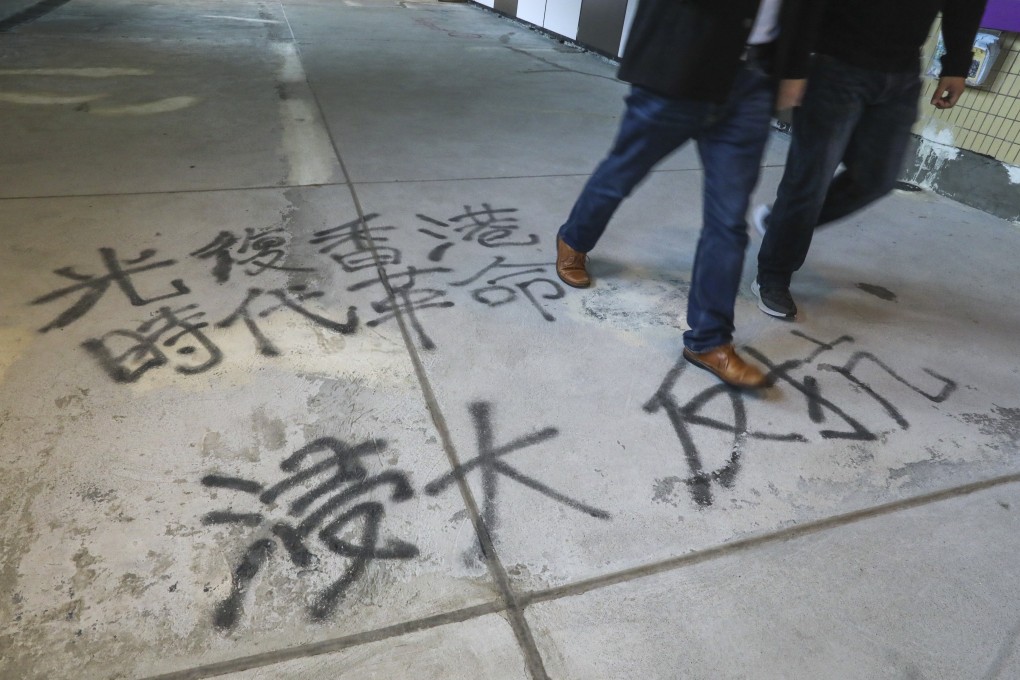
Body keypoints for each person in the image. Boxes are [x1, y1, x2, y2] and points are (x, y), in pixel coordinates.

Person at [555, 0, 822, 389]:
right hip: (677, 63)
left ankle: (709, 341)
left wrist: (796, 68)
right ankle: (574, 238)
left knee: (728, 220)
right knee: (621, 174)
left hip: (752, 79)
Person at [751, 0, 988, 320]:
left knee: (876, 178)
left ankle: (780, 223)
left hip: (902, 69)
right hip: (833, 60)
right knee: (811, 178)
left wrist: (957, 64)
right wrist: (794, 66)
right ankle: (773, 275)